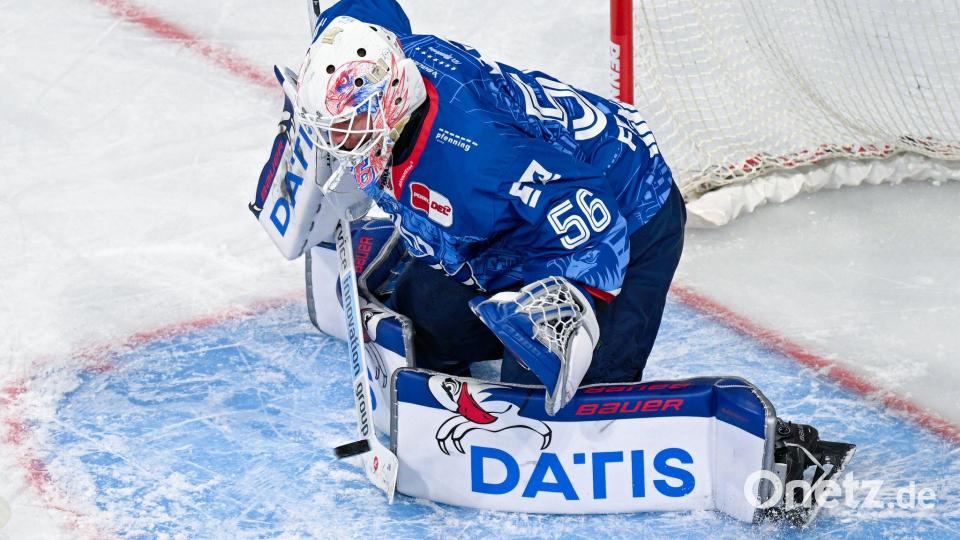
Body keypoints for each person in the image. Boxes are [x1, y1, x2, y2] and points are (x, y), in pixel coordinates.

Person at [258, 0, 686, 415]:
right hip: (515, 210)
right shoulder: (383, 58)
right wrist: (326, 44)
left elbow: (592, 220)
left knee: (539, 408)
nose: (336, 142)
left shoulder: (477, 161)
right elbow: (363, 10)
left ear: (390, 104)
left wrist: (567, 313)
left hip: (627, 213)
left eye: (346, 127)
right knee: (426, 329)